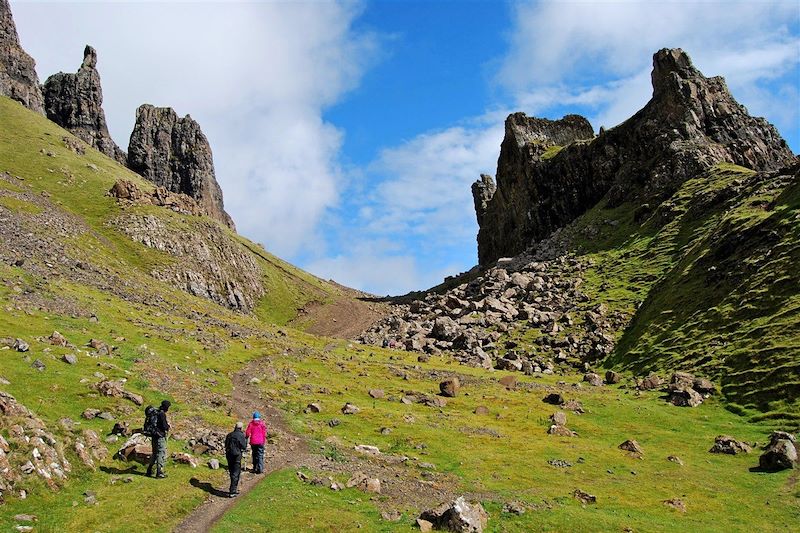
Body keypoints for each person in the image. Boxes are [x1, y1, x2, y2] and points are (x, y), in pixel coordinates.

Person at [146, 400, 171, 478]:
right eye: (168, 407)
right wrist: (168, 426)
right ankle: (159, 472)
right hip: (160, 436)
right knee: (161, 453)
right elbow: (164, 426)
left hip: (154, 435)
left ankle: (149, 470)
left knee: (154, 453)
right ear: (166, 407)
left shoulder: (156, 412)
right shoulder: (162, 414)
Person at [224, 421, 247, 497]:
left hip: (229, 454)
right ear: (241, 428)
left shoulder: (229, 435)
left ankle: (232, 488)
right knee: (236, 472)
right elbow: (244, 446)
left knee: (231, 471)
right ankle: (233, 491)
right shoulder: (241, 435)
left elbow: (226, 444)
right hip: (236, 455)